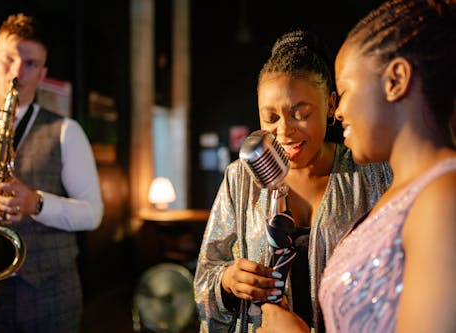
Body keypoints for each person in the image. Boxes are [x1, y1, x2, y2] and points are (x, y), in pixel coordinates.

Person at [257, 1, 456, 332]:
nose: (338, 112)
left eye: (345, 92)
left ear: (396, 80)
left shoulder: (442, 199)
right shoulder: (403, 194)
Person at [194, 29, 392, 333]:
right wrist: (228, 282)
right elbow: (206, 275)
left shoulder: (370, 173)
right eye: (271, 117)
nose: (284, 131)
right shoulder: (240, 178)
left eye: (301, 113)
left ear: (330, 105)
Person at [0, 13, 103, 332]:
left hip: (51, 297)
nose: (17, 72)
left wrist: (37, 203)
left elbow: (93, 214)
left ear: (43, 73)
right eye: (8, 59)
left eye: (31, 64)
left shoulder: (67, 131)